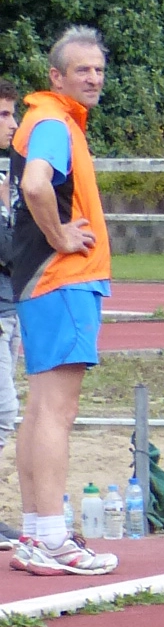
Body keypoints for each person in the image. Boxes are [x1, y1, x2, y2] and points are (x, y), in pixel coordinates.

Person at [9, 27, 116, 577]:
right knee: (57, 411)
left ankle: (34, 531)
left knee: (40, 410)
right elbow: (34, 185)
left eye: (98, 69)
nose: (93, 78)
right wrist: (60, 237)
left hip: (41, 282)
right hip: (62, 278)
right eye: (82, 70)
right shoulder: (52, 121)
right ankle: (52, 536)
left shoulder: (51, 120)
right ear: (56, 76)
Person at [0, 79, 20, 548]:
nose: (13, 123)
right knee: (4, 414)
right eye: (3, 115)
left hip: (10, 307)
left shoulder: (9, 173)